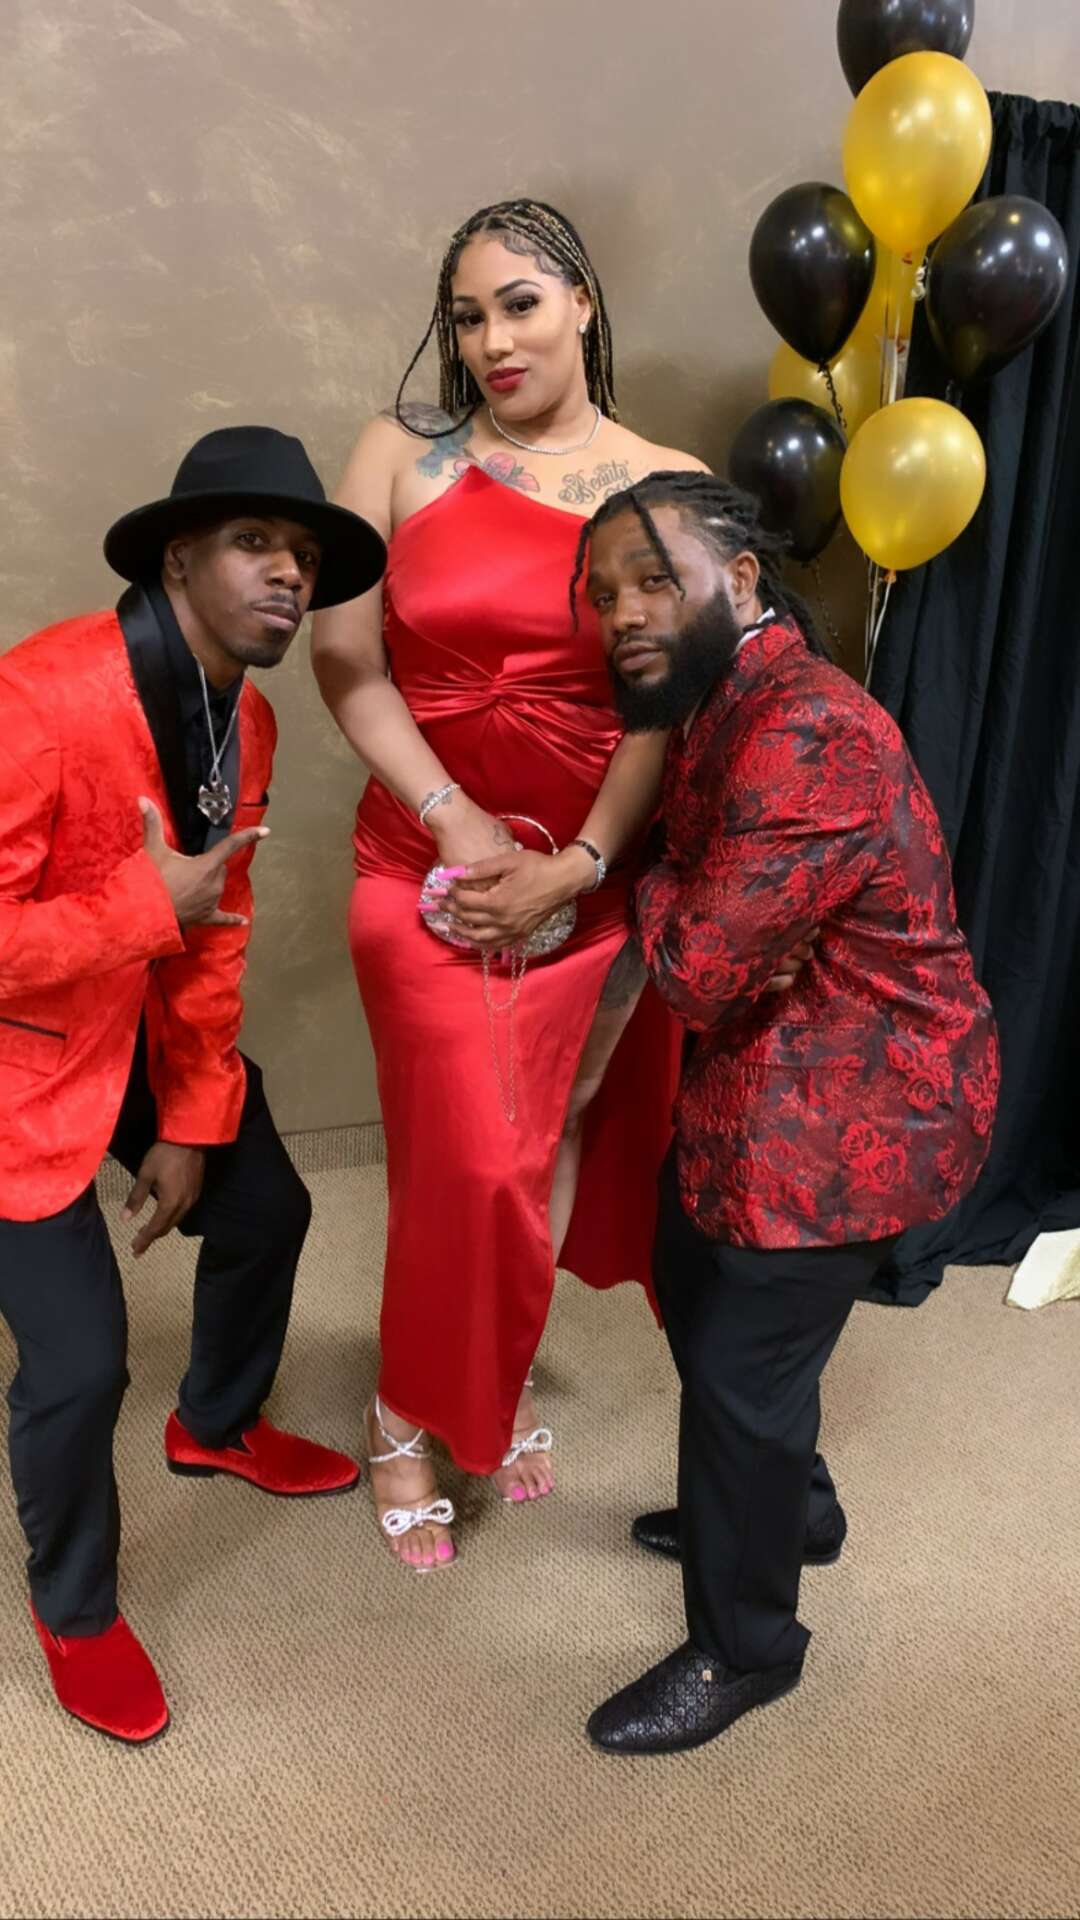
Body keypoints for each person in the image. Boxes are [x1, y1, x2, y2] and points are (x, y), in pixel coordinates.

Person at [312, 198, 812, 1572]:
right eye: (468, 316)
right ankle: (406, 1407)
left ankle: (492, 1365)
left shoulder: (663, 479)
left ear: (583, 302)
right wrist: (455, 821)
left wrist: (581, 862)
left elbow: (667, 701)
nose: (494, 341)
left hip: (591, 884)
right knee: (461, 1155)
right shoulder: (397, 456)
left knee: (546, 1146)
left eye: (522, 304)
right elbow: (346, 661)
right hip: (422, 868)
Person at [573, 472, 1000, 1755]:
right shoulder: (722, 698)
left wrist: (652, 877)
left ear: (743, 578)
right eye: (604, 595)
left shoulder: (807, 731)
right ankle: (788, 1510)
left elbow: (696, 969)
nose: (624, 615)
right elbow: (714, 941)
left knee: (740, 1369)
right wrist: (682, 880)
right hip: (763, 1078)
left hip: (865, 1106)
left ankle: (746, 1648)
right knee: (689, 1283)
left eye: (655, 580)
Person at [0, 425, 386, 1744]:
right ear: (178, 559)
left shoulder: (248, 719)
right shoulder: (40, 698)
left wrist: (195, 1116)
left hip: (125, 1033)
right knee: (80, 1365)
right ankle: (74, 1608)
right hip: (15, 1070)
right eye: (254, 542)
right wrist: (136, 908)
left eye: (305, 556)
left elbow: (212, 934)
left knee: (270, 1207)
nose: (289, 574)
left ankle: (215, 1424)